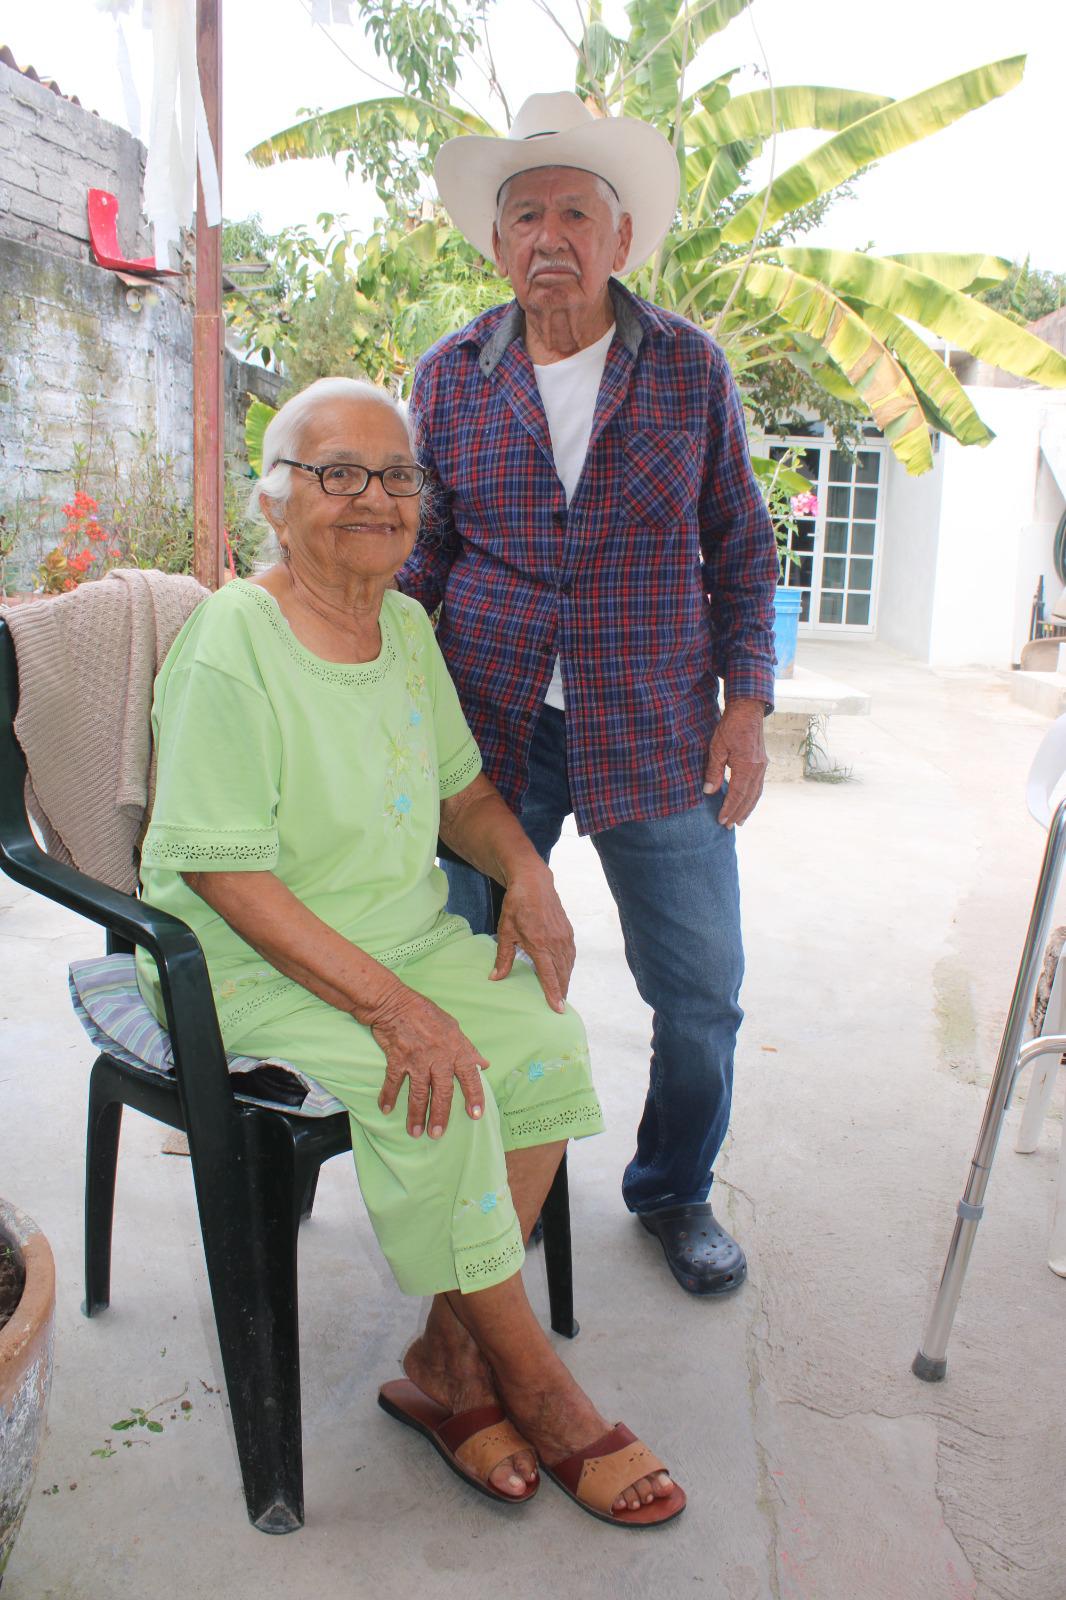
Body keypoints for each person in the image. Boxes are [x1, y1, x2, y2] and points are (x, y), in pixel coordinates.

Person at [134, 377, 685, 1527]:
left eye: (396, 476)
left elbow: (462, 794)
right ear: (273, 504)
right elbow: (226, 876)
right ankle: (533, 1381)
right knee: (434, 1082)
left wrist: (524, 870)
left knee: (541, 1035)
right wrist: (391, 1007)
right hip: (247, 961)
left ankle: (447, 1359)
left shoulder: (404, 626)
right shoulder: (231, 639)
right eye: (337, 473)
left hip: (390, 933)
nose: (373, 498)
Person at [399, 92, 779, 1298]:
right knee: (461, 962)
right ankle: (484, 1176)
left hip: (656, 726)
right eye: (524, 215)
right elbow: (426, 554)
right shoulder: (451, 374)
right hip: (491, 730)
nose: (548, 234)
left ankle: (672, 1189)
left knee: (702, 992)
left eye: (574, 210)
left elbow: (741, 543)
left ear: (620, 241)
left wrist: (747, 704)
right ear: (496, 242)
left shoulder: (686, 367)